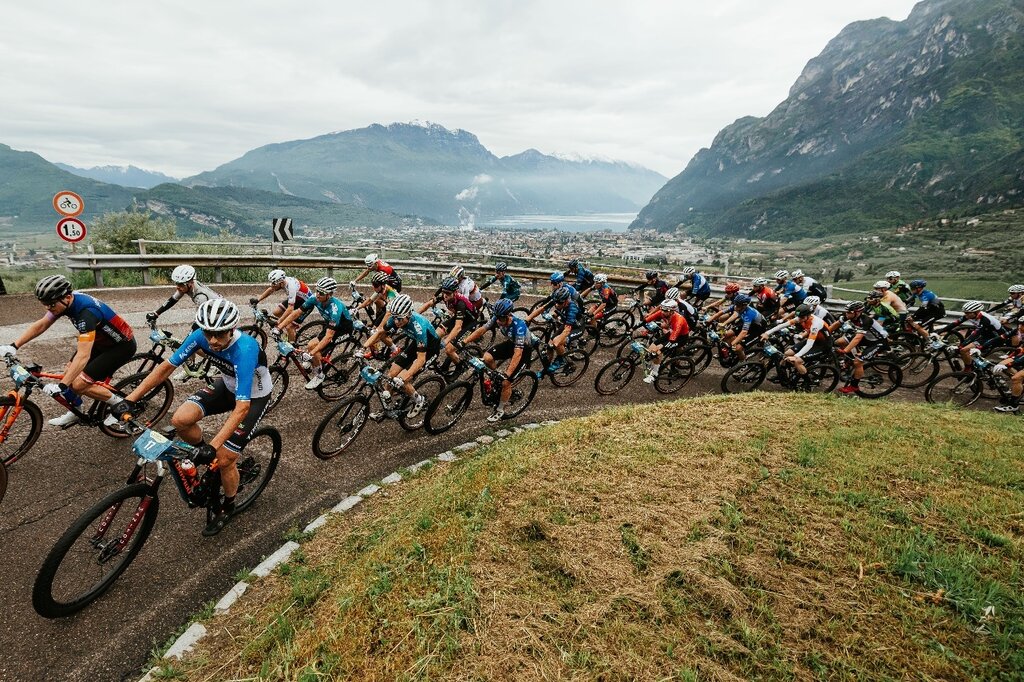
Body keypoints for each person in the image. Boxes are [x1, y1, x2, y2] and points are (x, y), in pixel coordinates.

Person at [113, 299, 273, 536]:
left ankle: (228, 505)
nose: (212, 341)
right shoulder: (200, 336)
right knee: (181, 420)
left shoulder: (246, 349)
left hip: (253, 396)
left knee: (225, 457)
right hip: (227, 386)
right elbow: (166, 368)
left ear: (232, 329)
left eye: (219, 334)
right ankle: (204, 456)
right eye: (208, 333)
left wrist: (214, 446)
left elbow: (241, 408)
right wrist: (130, 399)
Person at [0, 275, 135, 428]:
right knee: (68, 372)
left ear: (68, 297)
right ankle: (75, 412)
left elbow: (83, 355)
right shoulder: (65, 301)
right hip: (100, 341)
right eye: (44, 304)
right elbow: (42, 324)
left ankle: (121, 404)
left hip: (120, 347)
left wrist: (62, 386)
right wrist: (13, 345)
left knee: (77, 384)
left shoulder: (87, 313)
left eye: (51, 305)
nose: (48, 309)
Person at [361, 294, 441, 419]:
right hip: (416, 344)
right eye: (395, 318)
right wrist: (363, 347)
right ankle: (387, 409)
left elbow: (421, 359)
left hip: (430, 349)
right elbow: (380, 333)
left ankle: (419, 400)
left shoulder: (418, 327)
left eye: (400, 319)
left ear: (409, 314)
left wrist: (404, 379)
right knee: (391, 374)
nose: (397, 322)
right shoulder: (396, 317)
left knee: (402, 379)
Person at [274, 277, 360, 389]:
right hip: (330, 325)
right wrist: (279, 327)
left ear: (329, 295)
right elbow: (296, 313)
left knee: (312, 346)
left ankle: (320, 376)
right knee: (313, 347)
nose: (318, 294)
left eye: (322, 293)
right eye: (317, 290)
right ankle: (316, 360)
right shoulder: (315, 298)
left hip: (343, 329)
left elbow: (329, 337)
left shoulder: (335, 309)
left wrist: (310, 354)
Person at [459, 298, 537, 422]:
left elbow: (518, 353)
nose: (499, 321)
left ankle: (500, 409)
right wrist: (464, 342)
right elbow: (482, 330)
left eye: (501, 318)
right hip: (511, 343)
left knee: (506, 382)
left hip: (523, 350)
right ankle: (496, 377)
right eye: (497, 318)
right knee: (487, 357)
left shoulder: (519, 326)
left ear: (508, 315)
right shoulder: (497, 317)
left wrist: (507, 374)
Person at [761, 303, 832, 381]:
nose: (800, 319)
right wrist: (767, 333)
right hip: (814, 341)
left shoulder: (816, 324)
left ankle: (807, 383)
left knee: (797, 361)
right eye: (799, 317)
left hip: (823, 345)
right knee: (786, 354)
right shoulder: (801, 317)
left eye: (802, 317)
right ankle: (782, 376)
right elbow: (783, 325)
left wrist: (796, 356)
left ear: (808, 315)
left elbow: (809, 344)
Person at [420, 276, 479, 366]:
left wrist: (445, 341)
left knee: (449, 349)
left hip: (469, 323)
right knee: (435, 335)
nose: (445, 295)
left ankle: (460, 366)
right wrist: (414, 314)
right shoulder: (445, 295)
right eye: (443, 292)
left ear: (455, 292)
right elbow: (428, 304)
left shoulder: (460, 303)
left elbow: (458, 327)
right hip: (459, 318)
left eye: (448, 293)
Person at [833, 300, 889, 395]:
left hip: (878, 342)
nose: (846, 314)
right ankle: (849, 361)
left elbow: (858, 338)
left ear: (857, 312)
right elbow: (835, 324)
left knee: (858, 361)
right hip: (867, 338)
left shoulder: (866, 320)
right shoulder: (849, 315)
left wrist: (845, 351)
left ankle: (854, 386)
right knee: (840, 341)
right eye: (846, 311)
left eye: (849, 312)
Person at [147, 265, 220, 327]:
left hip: (219, 314)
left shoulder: (200, 296)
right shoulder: (188, 286)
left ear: (190, 283)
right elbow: (172, 300)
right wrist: (156, 313)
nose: (178, 287)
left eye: (181, 284)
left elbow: (199, 322)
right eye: (177, 283)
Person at [250, 269, 310, 341]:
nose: (272, 285)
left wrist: (279, 322)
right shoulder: (281, 282)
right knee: (276, 312)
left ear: (281, 283)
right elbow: (271, 289)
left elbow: (290, 308)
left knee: (289, 326)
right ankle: (290, 331)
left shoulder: (291, 287)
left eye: (274, 284)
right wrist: (258, 300)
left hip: (307, 303)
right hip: (297, 299)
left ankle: (292, 348)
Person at [642, 299, 690, 383]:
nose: (663, 312)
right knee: (651, 347)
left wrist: (661, 349)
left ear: (672, 311)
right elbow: (647, 320)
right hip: (672, 333)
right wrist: (632, 328)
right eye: (662, 309)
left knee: (657, 352)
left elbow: (672, 340)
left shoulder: (679, 320)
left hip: (680, 338)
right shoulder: (663, 312)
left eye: (666, 310)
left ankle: (654, 374)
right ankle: (655, 364)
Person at [992, 319, 1024, 413]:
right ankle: (1019, 387)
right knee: (1002, 364)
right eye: (1020, 324)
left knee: (1016, 378)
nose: (1020, 327)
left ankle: (1013, 405)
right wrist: (979, 348)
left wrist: (1010, 363)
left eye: (1023, 325)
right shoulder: (1019, 331)